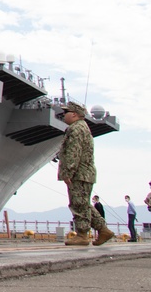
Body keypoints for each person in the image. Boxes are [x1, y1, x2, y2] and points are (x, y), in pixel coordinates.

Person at [56, 102, 113, 247]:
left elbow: (73, 153)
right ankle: (103, 230)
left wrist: (68, 172)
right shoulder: (82, 128)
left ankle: (82, 235)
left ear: (74, 114)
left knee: (78, 204)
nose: (63, 115)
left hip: (79, 174)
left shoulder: (76, 129)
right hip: (85, 173)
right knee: (84, 204)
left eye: (66, 112)